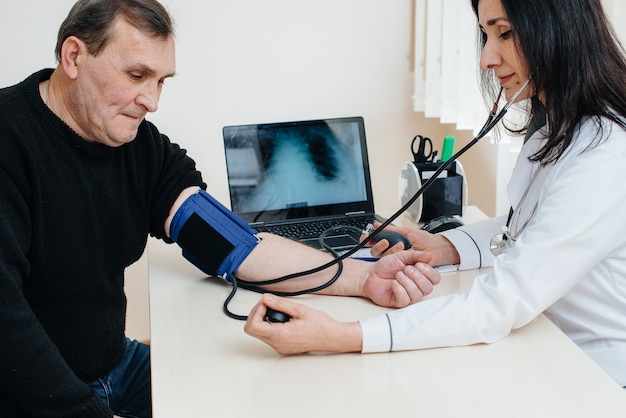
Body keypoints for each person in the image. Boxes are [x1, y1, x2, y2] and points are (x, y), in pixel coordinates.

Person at [0, 1, 441, 416]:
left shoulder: (140, 148)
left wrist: (363, 277)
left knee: (239, 397)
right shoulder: (9, 141)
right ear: (74, 57)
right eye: (137, 75)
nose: (152, 101)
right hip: (26, 387)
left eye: (161, 81)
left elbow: (234, 245)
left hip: (114, 364)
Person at [244, 0, 626, 389]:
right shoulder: (558, 128)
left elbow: (500, 303)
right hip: (547, 348)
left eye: (505, 33)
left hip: (596, 377)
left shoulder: (605, 153)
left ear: (561, 28)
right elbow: (532, 225)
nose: (486, 58)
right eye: (486, 35)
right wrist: (445, 247)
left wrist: (341, 335)